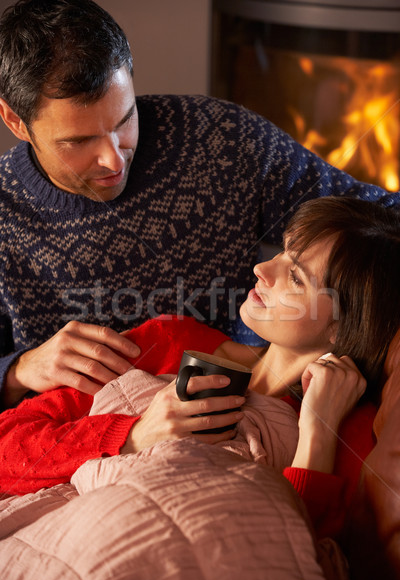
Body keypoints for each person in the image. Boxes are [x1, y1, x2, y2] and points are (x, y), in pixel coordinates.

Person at [0, 0, 399, 417]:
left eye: (124, 122)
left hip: (236, 408)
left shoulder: (221, 141)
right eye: (79, 142)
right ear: (14, 120)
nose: (115, 160)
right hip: (69, 434)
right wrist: (18, 370)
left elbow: (378, 221)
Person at [1, 196, 399, 541]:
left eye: (295, 276)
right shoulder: (171, 340)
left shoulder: (352, 435)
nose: (264, 269)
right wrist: (131, 436)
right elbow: (7, 448)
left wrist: (317, 431)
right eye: (281, 250)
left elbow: (296, 562)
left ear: (343, 327)